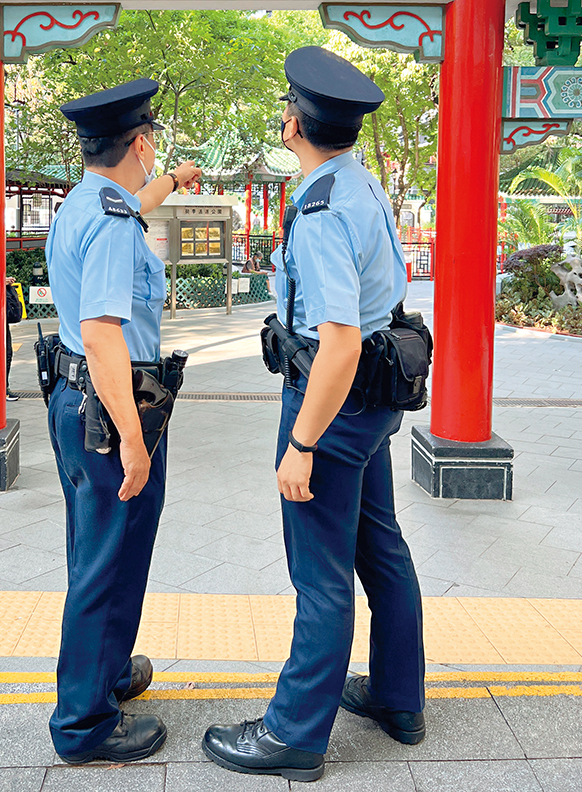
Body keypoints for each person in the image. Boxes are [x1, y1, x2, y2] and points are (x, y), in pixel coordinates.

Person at [203, 46, 425, 782]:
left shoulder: (325, 209)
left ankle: (294, 734)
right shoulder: (361, 185)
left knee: (321, 573)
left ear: (295, 124)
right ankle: (398, 697)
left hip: (329, 405)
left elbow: (333, 343)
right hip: (373, 403)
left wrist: (301, 442)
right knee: (380, 548)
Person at [45, 76, 200, 767]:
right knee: (106, 560)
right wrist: (134, 442)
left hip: (76, 398)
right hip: (111, 406)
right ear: (137, 141)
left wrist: (173, 178)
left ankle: (104, 669)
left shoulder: (86, 202)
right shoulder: (110, 221)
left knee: (100, 549)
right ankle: (84, 720)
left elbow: (138, 204)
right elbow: (104, 332)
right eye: (153, 146)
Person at [5, 276, 23, 402]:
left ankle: (3, 387)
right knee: (3, 355)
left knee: (7, 355)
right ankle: (2, 389)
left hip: (1, 322)